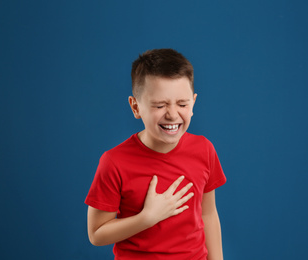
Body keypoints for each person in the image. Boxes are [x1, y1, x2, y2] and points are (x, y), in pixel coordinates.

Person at [85, 48, 226, 260]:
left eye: (182, 104)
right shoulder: (114, 162)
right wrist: (147, 218)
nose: (172, 114)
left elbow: (208, 213)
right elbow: (96, 234)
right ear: (135, 107)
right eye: (160, 105)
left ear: (193, 102)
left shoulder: (204, 149)